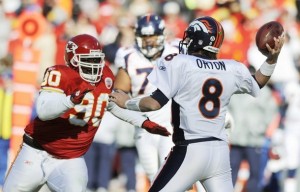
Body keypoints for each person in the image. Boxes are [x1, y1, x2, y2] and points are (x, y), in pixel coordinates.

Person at [109, 16, 285, 192]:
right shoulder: (232, 68)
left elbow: (154, 103)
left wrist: (127, 102)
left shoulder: (179, 62)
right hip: (220, 153)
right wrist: (272, 59)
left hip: (189, 149)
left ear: (198, 40)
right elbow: (258, 82)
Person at [2, 34, 170, 192]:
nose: (94, 64)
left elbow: (111, 105)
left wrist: (143, 122)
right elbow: (44, 111)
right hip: (36, 152)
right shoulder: (60, 74)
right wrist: (70, 100)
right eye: (88, 59)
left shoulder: (105, 77)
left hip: (71, 160)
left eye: (97, 59)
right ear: (73, 60)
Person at [112, 14, 177, 182]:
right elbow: (119, 93)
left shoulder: (176, 51)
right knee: (153, 176)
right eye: (144, 36)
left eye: (153, 35)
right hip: (143, 125)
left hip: (171, 125)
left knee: (169, 176)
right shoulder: (128, 55)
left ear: (162, 34)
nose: (149, 40)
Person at [228, 65, 280, 192]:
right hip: (237, 139)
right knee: (229, 173)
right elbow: (227, 112)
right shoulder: (235, 91)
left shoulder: (264, 92)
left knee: (255, 174)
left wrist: (261, 128)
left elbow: (273, 113)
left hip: (255, 139)